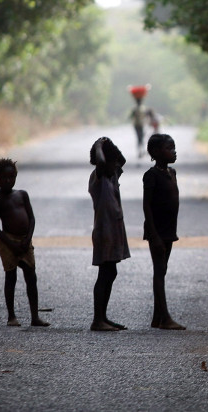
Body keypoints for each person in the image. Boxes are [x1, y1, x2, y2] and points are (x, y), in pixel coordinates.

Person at [0, 158, 50, 327]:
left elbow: (31, 218)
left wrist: (27, 239)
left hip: (25, 241)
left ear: (15, 177)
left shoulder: (22, 194)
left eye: (11, 177)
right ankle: (11, 317)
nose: (8, 181)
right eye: (4, 178)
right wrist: (11, 244)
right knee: (11, 277)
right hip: (8, 242)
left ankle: (35, 317)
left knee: (31, 276)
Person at [142, 133, 185, 330]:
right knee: (159, 271)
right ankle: (165, 317)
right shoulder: (151, 176)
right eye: (170, 148)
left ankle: (157, 317)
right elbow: (147, 206)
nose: (174, 151)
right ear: (156, 152)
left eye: (174, 147)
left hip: (169, 229)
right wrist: (154, 235)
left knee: (163, 270)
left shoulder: (172, 172)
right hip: (157, 231)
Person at [89, 137, 131, 331]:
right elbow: (102, 162)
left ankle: (103, 317)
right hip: (104, 231)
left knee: (111, 271)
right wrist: (99, 146)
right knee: (105, 272)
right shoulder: (98, 176)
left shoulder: (112, 175)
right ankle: (98, 320)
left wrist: (111, 146)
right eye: (110, 161)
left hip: (114, 229)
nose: (115, 165)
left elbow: (122, 161)